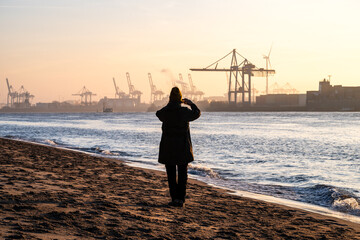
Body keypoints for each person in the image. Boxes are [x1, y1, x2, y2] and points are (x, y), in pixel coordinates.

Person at [156, 87, 201, 207]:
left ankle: (174, 198)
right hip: (182, 147)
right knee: (182, 175)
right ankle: (180, 199)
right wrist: (191, 104)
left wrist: (170, 104)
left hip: (168, 148)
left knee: (171, 175)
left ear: (170, 98)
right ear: (180, 98)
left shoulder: (165, 112)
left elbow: (158, 113)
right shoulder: (185, 112)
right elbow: (197, 113)